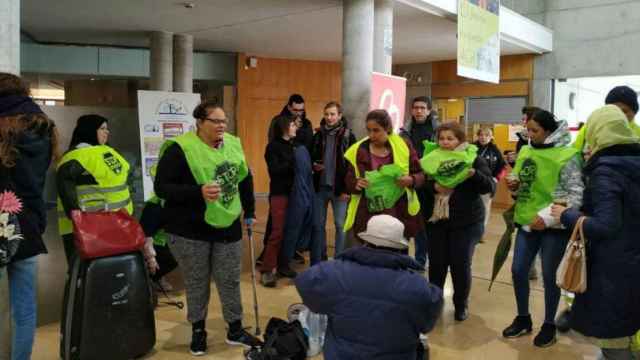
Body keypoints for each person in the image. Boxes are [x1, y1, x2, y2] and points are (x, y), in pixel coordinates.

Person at [154, 101, 261, 355]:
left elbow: (245, 178)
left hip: (228, 226)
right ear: (200, 123)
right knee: (197, 282)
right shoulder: (180, 149)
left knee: (229, 280)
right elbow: (162, 188)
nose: (222, 125)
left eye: (224, 121)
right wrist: (197, 192)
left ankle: (235, 328)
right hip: (191, 228)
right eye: (216, 121)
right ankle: (198, 331)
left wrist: (251, 211)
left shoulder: (234, 144)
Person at [552, 105, 640, 360]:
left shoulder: (607, 171)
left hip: (614, 267)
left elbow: (605, 225)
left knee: (613, 340)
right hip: (632, 259)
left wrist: (566, 215)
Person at [294, 214, 444, 360]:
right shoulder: (416, 286)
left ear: (365, 242)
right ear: (399, 248)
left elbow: (304, 282)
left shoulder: (335, 272)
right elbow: (428, 320)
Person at [502, 110, 584, 348]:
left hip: (554, 227)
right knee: (518, 271)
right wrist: (514, 185)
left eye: (535, 131)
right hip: (526, 222)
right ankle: (523, 318)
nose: (530, 134)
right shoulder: (526, 149)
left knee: (550, 277)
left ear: (550, 131)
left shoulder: (568, 155)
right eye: (528, 129)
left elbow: (576, 195)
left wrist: (548, 218)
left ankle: (549, 324)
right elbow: (521, 182)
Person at [0, 72, 60, 360]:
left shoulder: (3, 131)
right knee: (24, 308)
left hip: (1, 225)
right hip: (28, 226)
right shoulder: (45, 130)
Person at [421, 122, 494, 321]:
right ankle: (434, 304)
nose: (445, 142)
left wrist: (473, 175)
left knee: (460, 265)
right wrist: (434, 186)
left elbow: (489, 187)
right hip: (437, 220)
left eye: (450, 138)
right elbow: (422, 185)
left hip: (467, 222)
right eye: (441, 138)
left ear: (460, 140)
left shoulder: (472, 158)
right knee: (436, 265)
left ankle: (461, 304)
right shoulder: (431, 158)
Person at [56, 114, 133, 266]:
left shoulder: (106, 151)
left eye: (107, 128)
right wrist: (77, 218)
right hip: (88, 228)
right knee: (89, 272)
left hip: (118, 222)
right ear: (89, 131)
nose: (107, 132)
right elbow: (66, 192)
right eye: (102, 128)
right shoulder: (76, 157)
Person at [344, 109, 424, 243]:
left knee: (395, 259)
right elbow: (348, 180)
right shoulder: (358, 150)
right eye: (368, 130)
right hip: (369, 216)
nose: (371, 135)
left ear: (387, 128)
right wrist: (355, 184)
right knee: (370, 258)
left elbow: (421, 174)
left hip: (399, 213)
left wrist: (411, 180)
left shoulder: (403, 146)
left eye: (376, 130)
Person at [310, 101, 356, 262]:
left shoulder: (348, 136)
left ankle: (339, 260)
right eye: (326, 114)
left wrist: (348, 190)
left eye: (332, 114)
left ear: (339, 116)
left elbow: (352, 166)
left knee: (340, 225)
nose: (329, 117)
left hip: (340, 190)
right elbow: (311, 158)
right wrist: (314, 165)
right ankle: (319, 259)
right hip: (320, 188)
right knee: (317, 225)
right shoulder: (317, 135)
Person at [400, 96, 439, 268]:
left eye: (423, 108)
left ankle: (421, 260)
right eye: (416, 107)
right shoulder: (404, 132)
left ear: (429, 110)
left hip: (431, 183)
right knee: (407, 221)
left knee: (425, 224)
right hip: (410, 181)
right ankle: (404, 259)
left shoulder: (438, 131)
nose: (419, 111)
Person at [260, 115, 298, 287]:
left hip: (294, 194)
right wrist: (294, 162)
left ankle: (283, 265)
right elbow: (275, 170)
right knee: (276, 233)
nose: (295, 127)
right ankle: (268, 270)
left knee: (289, 232)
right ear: (284, 127)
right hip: (279, 194)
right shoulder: (273, 147)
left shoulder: (294, 146)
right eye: (292, 124)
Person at [573, 85, 640, 152]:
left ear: (634, 113)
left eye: (624, 111)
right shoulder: (591, 127)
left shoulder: (638, 133)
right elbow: (575, 153)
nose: (619, 115)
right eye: (614, 109)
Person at [473, 127, 507, 230]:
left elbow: (503, 167)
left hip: (487, 184)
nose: (483, 137)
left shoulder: (495, 150)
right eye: (481, 135)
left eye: (486, 135)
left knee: (485, 208)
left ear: (491, 137)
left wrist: (496, 179)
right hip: (472, 182)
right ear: (477, 136)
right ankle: (472, 229)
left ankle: (481, 230)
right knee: (471, 207)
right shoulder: (471, 148)